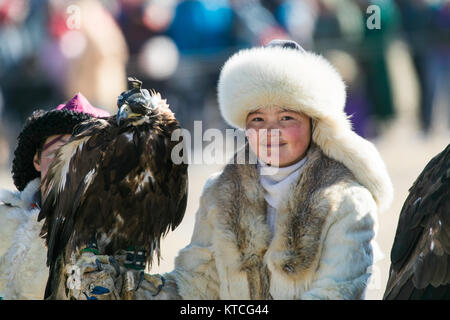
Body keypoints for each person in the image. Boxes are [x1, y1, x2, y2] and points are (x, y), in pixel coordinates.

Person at [74, 39, 394, 300]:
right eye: (258, 120)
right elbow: (194, 289)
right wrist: (126, 288)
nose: (271, 132)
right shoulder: (220, 193)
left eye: (287, 119)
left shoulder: (347, 201)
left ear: (314, 125)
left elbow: (337, 293)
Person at [0, 93, 109, 300]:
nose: (68, 169)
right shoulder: (3, 223)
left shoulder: (120, 235)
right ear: (37, 160)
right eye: (57, 155)